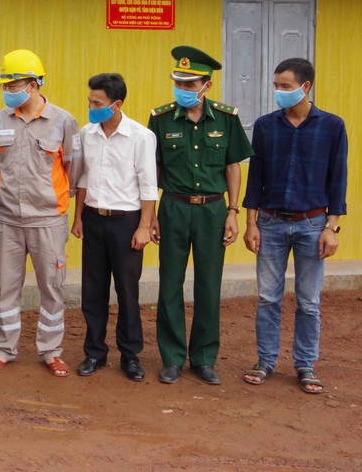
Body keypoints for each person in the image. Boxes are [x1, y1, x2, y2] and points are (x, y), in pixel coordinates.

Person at [148, 46, 253, 385]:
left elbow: (233, 166)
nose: (182, 89)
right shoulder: (161, 118)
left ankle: (204, 358)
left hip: (213, 209)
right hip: (174, 208)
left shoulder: (226, 118)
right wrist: (151, 215)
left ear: (207, 85)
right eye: (178, 82)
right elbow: (154, 168)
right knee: (170, 285)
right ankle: (173, 357)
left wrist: (233, 212)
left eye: (190, 84)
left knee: (209, 285)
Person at [241, 58, 346, 394]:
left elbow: (338, 177)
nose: (278, 92)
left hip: (313, 224)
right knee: (268, 298)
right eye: (276, 86)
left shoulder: (332, 126)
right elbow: (255, 177)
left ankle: (305, 364)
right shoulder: (265, 126)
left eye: (285, 86)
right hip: (270, 223)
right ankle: (266, 360)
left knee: (309, 301)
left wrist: (332, 226)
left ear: (305, 87)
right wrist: (251, 223)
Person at [0, 49, 81, 377]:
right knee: (6, 286)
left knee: (52, 286)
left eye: (15, 85)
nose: (9, 92)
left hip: (48, 220)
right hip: (8, 219)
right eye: (5, 86)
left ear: (36, 84)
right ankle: (5, 349)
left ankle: (51, 350)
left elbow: (74, 169)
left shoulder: (63, 121)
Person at [71, 74, 157, 382]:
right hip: (94, 219)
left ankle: (130, 355)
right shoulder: (86, 133)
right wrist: (78, 217)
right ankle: (94, 352)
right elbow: (83, 178)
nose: (91, 107)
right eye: (90, 101)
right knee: (92, 290)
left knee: (127, 291)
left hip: (127, 223)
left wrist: (144, 227)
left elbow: (148, 185)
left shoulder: (141, 136)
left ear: (116, 104)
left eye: (98, 103)